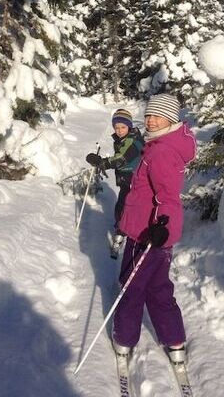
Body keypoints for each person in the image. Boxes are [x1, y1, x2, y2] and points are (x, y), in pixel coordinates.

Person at [110, 93, 196, 367]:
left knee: (131, 286)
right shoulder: (162, 143)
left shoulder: (161, 151)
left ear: (171, 119)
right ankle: (175, 340)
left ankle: (124, 339)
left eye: (157, 116)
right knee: (158, 288)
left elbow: (167, 196)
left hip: (147, 234)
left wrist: (162, 226)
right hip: (155, 234)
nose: (150, 120)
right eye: (148, 115)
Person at [85, 108, 144, 258]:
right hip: (126, 179)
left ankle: (122, 233)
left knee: (125, 206)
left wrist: (102, 162)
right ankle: (123, 228)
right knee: (122, 205)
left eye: (122, 127)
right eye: (116, 127)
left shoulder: (134, 141)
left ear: (129, 126)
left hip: (134, 180)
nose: (119, 130)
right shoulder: (124, 139)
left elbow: (121, 159)